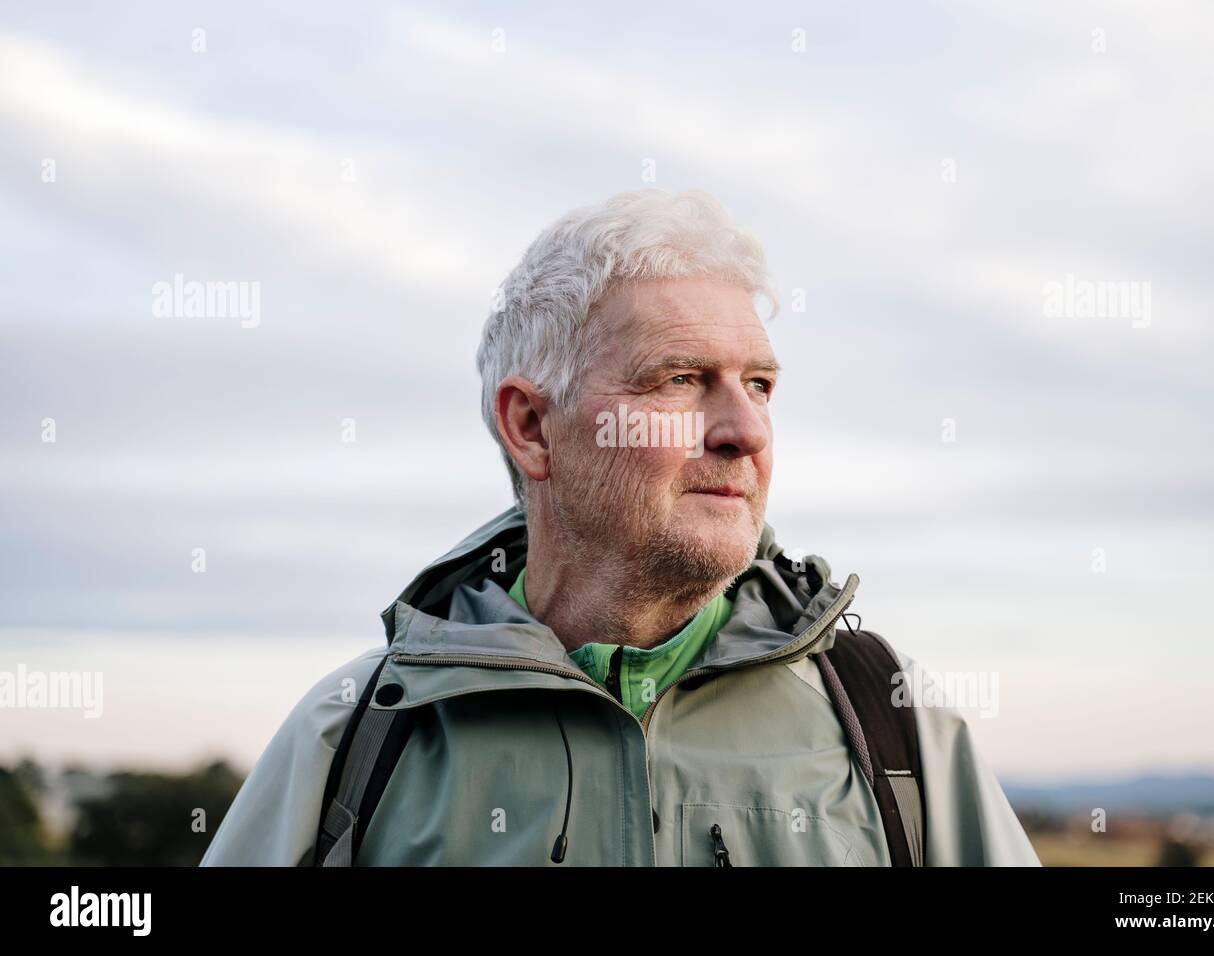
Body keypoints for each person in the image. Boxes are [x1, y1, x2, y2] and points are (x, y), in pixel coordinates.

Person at [200, 188, 1040, 866]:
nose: (744, 431)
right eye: (680, 379)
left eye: (759, 385)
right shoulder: (359, 732)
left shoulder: (885, 713)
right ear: (531, 427)